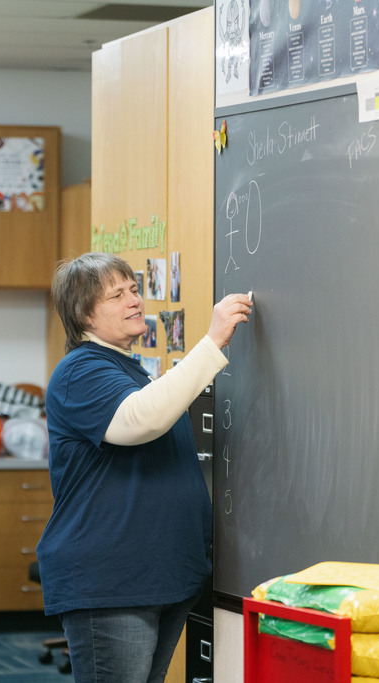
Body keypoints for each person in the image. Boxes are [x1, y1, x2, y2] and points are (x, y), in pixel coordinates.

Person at [37, 252, 252, 682]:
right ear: (84, 315)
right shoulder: (80, 370)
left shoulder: (128, 370)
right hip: (113, 584)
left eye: (134, 289)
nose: (134, 300)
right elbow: (139, 421)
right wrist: (211, 344)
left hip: (157, 575)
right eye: (116, 295)